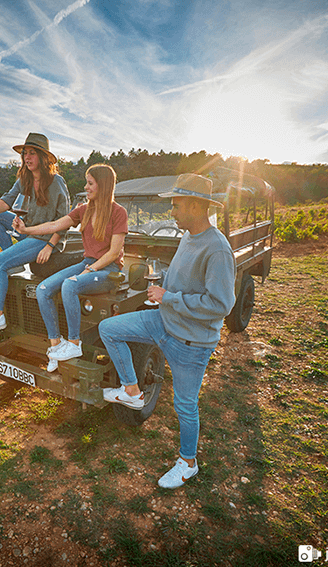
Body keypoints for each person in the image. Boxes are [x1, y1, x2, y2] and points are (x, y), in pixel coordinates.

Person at [98, 174, 236, 488]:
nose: (170, 212)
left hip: (192, 342)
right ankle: (132, 391)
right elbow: (184, 279)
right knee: (109, 328)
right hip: (163, 322)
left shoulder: (218, 250)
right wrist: (162, 283)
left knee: (184, 405)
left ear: (196, 206)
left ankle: (188, 463)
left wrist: (169, 297)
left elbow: (221, 304)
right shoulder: (187, 235)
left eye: (175, 205)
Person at [13, 164, 127, 372]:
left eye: (90, 183)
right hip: (87, 263)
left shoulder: (119, 213)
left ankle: (74, 344)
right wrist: (26, 229)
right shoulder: (83, 210)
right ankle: (55, 347)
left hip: (108, 270)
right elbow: (54, 225)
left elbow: (113, 253)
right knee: (43, 290)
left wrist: (90, 270)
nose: (86, 187)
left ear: (103, 185)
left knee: (69, 285)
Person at [0, 132, 70, 331]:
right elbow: (8, 200)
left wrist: (51, 246)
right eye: (25, 153)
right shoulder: (24, 179)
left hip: (44, 237)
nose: (27, 158)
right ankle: (14, 262)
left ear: (43, 158)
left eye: (32, 153)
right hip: (27, 232)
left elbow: (65, 220)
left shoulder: (56, 182)